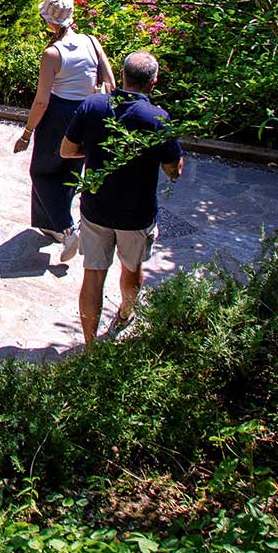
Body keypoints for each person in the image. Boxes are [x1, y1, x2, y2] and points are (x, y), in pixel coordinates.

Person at [59, 51, 184, 345]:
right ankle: (125, 314)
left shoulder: (93, 106)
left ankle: (90, 346)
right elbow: (173, 172)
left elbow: (67, 150)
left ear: (122, 74)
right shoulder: (157, 118)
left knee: (93, 275)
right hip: (136, 213)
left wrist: (93, 152)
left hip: (95, 208)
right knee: (132, 268)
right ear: (153, 83)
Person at [14, 0, 114, 248]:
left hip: (59, 114)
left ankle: (66, 228)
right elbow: (111, 83)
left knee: (42, 171)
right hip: (88, 113)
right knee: (70, 170)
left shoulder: (52, 54)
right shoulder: (91, 41)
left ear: (50, 21)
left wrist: (27, 134)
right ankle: (53, 225)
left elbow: (41, 101)